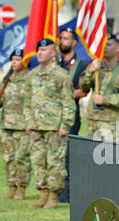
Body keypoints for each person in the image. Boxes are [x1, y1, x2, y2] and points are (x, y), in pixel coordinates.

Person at [24, 39, 76, 209]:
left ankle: (53, 196)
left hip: (55, 127)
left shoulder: (62, 75)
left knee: (55, 162)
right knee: (38, 161)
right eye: (38, 50)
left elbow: (69, 103)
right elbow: (27, 102)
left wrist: (65, 125)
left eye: (44, 50)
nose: (39, 53)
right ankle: (43, 193)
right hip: (36, 127)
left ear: (53, 53)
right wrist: (29, 122)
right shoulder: (32, 75)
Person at [0, 49, 31, 201]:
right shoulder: (7, 79)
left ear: (25, 61)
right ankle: (11, 186)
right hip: (6, 125)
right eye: (12, 59)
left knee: (22, 158)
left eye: (18, 59)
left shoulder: (30, 79)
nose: (14, 62)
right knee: (8, 158)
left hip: (23, 126)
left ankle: (21, 188)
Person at [79, 33, 119, 142]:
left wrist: (104, 100)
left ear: (118, 48)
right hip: (93, 120)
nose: (105, 47)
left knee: (111, 156)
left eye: (108, 44)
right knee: (90, 154)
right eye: (103, 44)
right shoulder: (96, 67)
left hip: (112, 122)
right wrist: (90, 71)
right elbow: (83, 86)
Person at [57, 28, 88, 203]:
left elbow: (83, 91)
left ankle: (68, 191)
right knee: (54, 153)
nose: (62, 41)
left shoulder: (81, 65)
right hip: (53, 116)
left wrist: (62, 96)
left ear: (74, 42)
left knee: (68, 154)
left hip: (70, 115)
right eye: (61, 38)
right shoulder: (56, 65)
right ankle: (54, 188)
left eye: (66, 38)